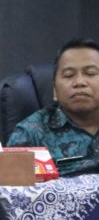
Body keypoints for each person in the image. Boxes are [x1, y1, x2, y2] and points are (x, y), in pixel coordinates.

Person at [6, 39, 99, 176]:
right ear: (55, 90)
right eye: (68, 75)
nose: (79, 82)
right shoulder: (30, 134)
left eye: (90, 73)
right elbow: (11, 183)